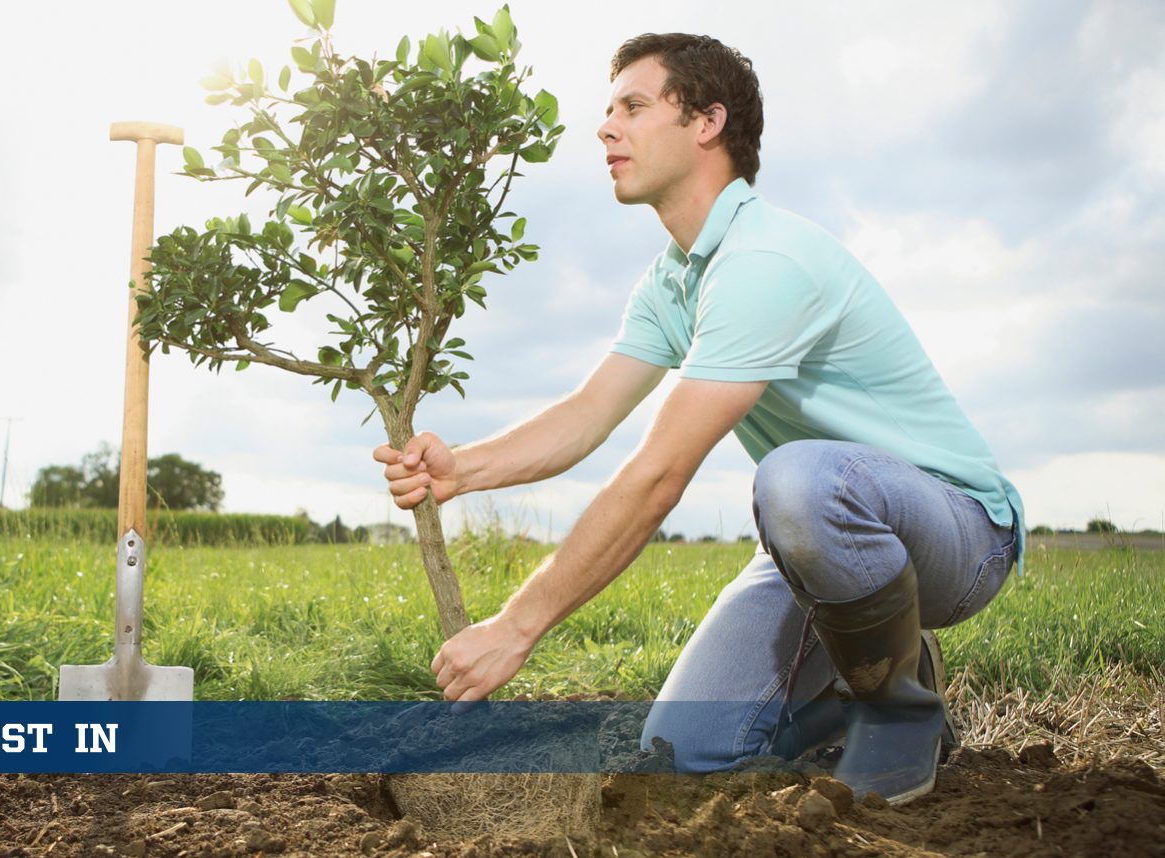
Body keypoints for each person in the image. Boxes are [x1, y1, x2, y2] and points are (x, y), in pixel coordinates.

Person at [373, 33, 1023, 805]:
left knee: (798, 477)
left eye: (634, 107)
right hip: (819, 545)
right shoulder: (674, 281)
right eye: (608, 111)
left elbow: (658, 475)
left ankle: (896, 710)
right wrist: (463, 471)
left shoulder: (764, 263)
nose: (606, 128)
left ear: (708, 122)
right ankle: (875, 679)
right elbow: (588, 415)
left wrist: (515, 628)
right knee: (685, 748)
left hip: (957, 535)